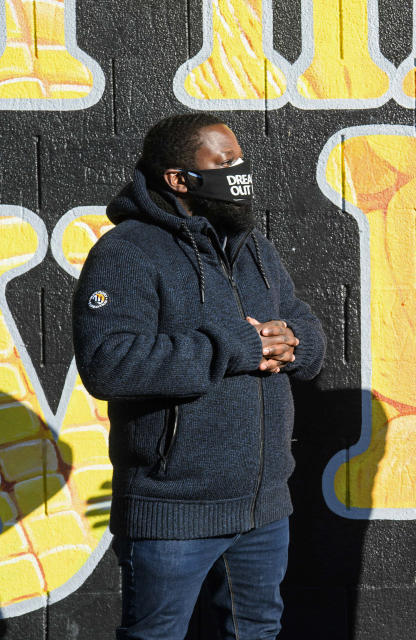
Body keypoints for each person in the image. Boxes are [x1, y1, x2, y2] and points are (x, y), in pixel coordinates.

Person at [72, 114, 326, 639]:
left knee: (256, 634)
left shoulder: (252, 246)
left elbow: (305, 328)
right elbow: (108, 363)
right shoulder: (127, 252)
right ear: (177, 178)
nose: (239, 170)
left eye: (240, 159)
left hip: (263, 506)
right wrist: (236, 345)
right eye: (223, 161)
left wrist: (292, 344)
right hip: (173, 513)